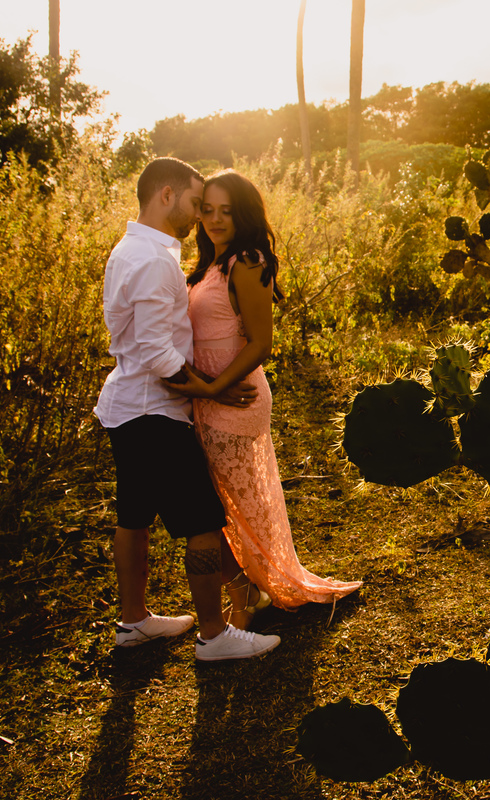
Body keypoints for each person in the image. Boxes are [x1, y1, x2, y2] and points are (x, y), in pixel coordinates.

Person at [94, 157, 280, 662]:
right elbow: (158, 355)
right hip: (155, 410)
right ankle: (214, 635)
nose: (202, 216)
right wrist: (210, 390)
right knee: (200, 519)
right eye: (198, 204)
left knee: (133, 515)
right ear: (168, 194)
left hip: (125, 406)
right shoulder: (155, 260)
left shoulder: (129, 249)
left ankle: (134, 622)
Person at [169, 169, 361, 623]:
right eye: (208, 210)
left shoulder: (248, 261)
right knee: (214, 506)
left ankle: (252, 594)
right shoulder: (207, 266)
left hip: (235, 397)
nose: (215, 220)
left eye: (226, 211)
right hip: (206, 395)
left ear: (244, 215)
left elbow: (260, 343)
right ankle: (247, 592)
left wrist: (212, 387)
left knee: (232, 506)